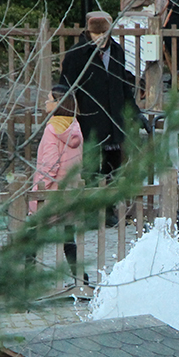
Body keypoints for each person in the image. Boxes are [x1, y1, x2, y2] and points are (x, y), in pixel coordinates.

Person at [60, 11, 142, 224]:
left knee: (113, 167)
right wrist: (68, 117)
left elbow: (123, 85)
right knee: (92, 168)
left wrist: (135, 112)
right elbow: (65, 89)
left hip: (114, 120)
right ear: (88, 33)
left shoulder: (116, 51)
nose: (100, 40)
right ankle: (90, 212)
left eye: (103, 35)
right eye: (96, 36)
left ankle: (108, 211)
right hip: (89, 121)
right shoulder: (77, 54)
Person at [31, 85, 85, 284]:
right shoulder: (75, 127)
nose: (46, 102)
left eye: (49, 98)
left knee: (31, 238)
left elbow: (50, 165)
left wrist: (38, 191)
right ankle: (83, 281)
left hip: (51, 195)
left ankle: (25, 285)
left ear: (58, 103)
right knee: (68, 239)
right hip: (69, 193)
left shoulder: (53, 129)